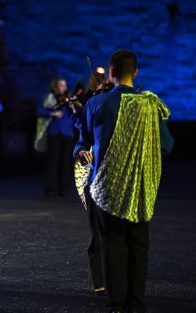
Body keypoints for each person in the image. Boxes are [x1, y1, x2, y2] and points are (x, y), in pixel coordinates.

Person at [74, 49, 174, 313]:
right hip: (140, 187)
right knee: (139, 245)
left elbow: (83, 141)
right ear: (136, 73)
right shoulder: (150, 106)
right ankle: (136, 302)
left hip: (106, 187)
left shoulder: (96, 104)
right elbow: (167, 145)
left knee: (112, 244)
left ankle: (115, 303)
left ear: (111, 72)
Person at [37, 77, 75, 197]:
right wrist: (52, 113)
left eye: (64, 85)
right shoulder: (51, 97)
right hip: (54, 132)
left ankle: (64, 187)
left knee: (66, 161)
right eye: (60, 85)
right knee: (53, 160)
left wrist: (73, 106)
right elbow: (40, 110)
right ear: (56, 86)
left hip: (67, 132)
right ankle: (50, 187)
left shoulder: (69, 98)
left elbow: (76, 113)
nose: (62, 88)